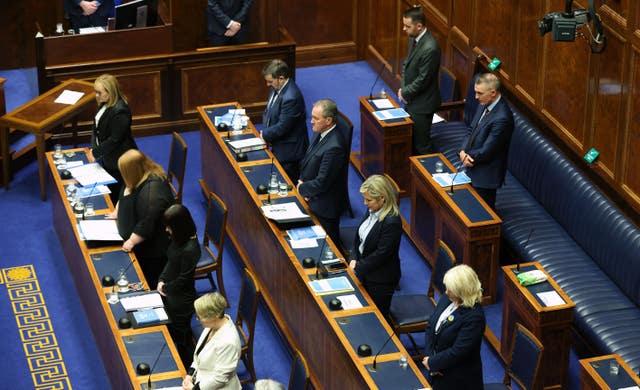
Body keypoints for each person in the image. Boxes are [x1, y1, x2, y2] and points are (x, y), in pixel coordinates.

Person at [107, 149, 173, 289]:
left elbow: (147, 223)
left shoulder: (153, 190)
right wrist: (116, 212)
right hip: (135, 241)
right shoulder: (137, 176)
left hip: (152, 249)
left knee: (147, 281)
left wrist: (131, 241)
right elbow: (125, 191)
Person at [422, 264, 485, 389]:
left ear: (462, 291)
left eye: (450, 289)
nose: (446, 292)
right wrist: (431, 358)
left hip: (458, 379)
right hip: (438, 370)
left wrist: (433, 362)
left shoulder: (474, 318)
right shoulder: (448, 298)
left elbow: (458, 352)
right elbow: (431, 326)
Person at [458, 73, 514, 210]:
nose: (475, 97)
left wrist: (467, 156)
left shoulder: (503, 118)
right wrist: (461, 150)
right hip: (472, 164)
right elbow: (471, 130)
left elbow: (488, 150)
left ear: (493, 93)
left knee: (480, 215)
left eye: (479, 93)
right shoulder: (485, 102)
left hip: (486, 177)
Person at [348, 175, 402, 318]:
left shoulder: (392, 222)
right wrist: (353, 257)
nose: (365, 203)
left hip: (380, 281)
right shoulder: (372, 209)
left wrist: (358, 266)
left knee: (375, 318)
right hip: (364, 270)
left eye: (369, 200)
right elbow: (358, 238)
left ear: (382, 198)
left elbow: (381, 255)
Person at [297, 99, 348, 245]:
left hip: (323, 208)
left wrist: (302, 189)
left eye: (315, 118)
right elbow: (307, 161)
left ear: (328, 120)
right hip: (311, 194)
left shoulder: (334, 147)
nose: (311, 121)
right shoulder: (320, 131)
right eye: (312, 116)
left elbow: (322, 183)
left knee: (326, 247)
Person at [158, 204, 201, 368]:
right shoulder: (179, 238)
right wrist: (162, 279)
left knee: (182, 341)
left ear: (179, 227)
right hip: (172, 291)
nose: (167, 230)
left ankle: (189, 371)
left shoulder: (190, 249)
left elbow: (184, 279)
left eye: (169, 226)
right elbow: (171, 260)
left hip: (182, 301)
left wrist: (166, 288)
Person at [398, 6, 441, 155]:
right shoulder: (414, 38)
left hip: (423, 104)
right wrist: (404, 89)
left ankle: (428, 176)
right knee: (411, 140)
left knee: (421, 145)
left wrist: (405, 92)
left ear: (419, 26)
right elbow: (406, 64)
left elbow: (423, 80)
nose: (404, 29)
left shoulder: (430, 48)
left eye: (407, 26)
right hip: (412, 99)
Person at [90, 74, 138, 203]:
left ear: (110, 92)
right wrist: (95, 147)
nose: (96, 95)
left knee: (116, 198)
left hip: (120, 161)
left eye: (99, 92)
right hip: (108, 156)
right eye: (96, 92)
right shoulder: (104, 103)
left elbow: (115, 139)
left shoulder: (121, 111)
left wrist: (96, 152)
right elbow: (96, 128)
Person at [261, 59, 309, 183]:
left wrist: (264, 135)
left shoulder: (291, 97)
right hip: (278, 141)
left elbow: (283, 126)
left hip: (290, 152)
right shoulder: (277, 87)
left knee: (287, 183)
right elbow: (269, 111)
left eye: (270, 81)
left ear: (281, 78)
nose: (267, 85)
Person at [183, 292, 242, 390]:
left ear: (214, 316)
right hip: (201, 379)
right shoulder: (214, 324)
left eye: (200, 317)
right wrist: (190, 374)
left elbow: (220, 378)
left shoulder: (228, 342)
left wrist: (195, 389)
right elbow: (199, 354)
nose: (197, 319)